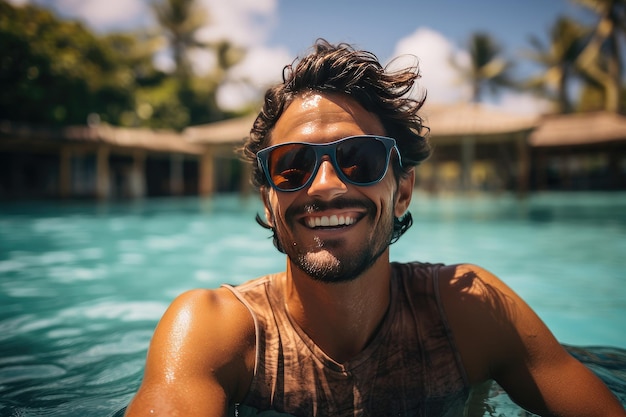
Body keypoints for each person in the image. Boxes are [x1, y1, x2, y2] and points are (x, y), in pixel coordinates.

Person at [125, 39, 625, 417]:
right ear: (269, 198)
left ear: (403, 190)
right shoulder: (219, 332)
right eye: (292, 167)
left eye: (359, 159)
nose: (322, 186)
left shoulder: (469, 313)